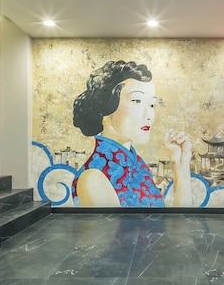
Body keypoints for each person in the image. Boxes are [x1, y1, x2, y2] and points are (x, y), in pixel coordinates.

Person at [71, 60, 193, 207]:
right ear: (105, 110)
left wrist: (180, 164)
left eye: (151, 104)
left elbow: (182, 218)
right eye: (136, 101)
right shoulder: (93, 178)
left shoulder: (138, 167)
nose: (149, 115)